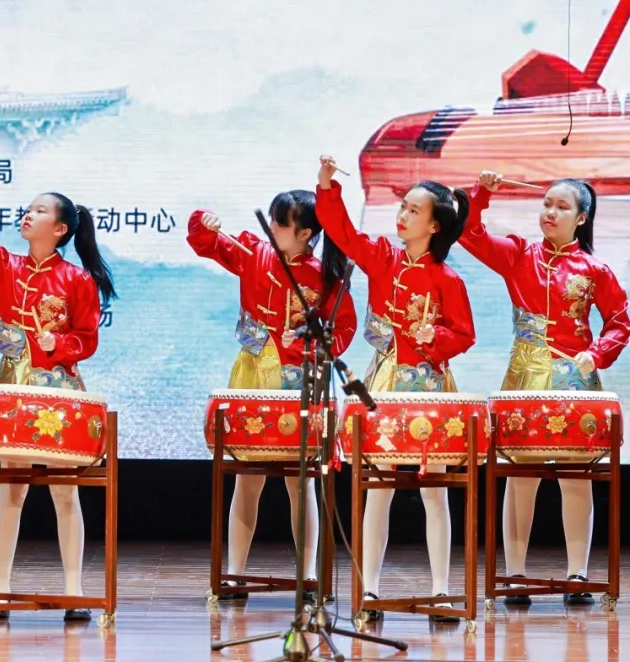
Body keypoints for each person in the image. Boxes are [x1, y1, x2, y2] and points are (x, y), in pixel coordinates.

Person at [0, 185, 116, 621]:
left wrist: (59, 344)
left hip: (57, 394)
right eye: (28, 209)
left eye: (40, 210)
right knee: (11, 488)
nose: (28, 215)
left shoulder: (77, 280)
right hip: (12, 391)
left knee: (65, 491)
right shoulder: (3, 264)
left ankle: (73, 590)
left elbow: (88, 339)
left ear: (60, 229)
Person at [315, 155, 476, 622]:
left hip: (430, 387)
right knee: (378, 488)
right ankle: (369, 589)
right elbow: (343, 232)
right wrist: (327, 188)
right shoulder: (383, 258)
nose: (402, 215)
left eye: (412, 210)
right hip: (384, 383)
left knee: (435, 491)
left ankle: (441, 590)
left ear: (434, 225)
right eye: (402, 206)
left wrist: (435, 337)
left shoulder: (448, 279)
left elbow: (464, 335)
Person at [461, 172, 630, 605]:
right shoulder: (519, 255)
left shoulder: (594, 269)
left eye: (562, 207)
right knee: (521, 477)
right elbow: (470, 234)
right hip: (525, 379)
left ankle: (578, 574)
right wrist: (482, 193)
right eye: (547, 204)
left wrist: (598, 352)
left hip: (575, 381)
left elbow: (620, 320)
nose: (550, 212)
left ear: (581, 218)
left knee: (577, 478)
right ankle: (515, 575)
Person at [186, 190, 357, 602]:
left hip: (299, 384)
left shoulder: (325, 276)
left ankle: (309, 576)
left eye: (281, 223)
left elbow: (343, 331)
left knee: (302, 483)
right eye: (274, 220)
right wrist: (203, 221)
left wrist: (307, 344)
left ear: (306, 233)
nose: (273, 228)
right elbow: (206, 244)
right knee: (247, 479)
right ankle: (235, 574)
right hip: (252, 379)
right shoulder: (254, 253)